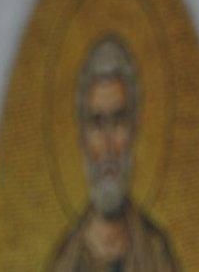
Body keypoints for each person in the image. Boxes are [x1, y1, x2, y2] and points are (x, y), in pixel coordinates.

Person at [50, 35, 181, 271]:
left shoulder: (157, 253)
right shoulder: (64, 262)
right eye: (98, 124)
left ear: (133, 130)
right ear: (83, 138)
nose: (109, 145)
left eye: (118, 120)